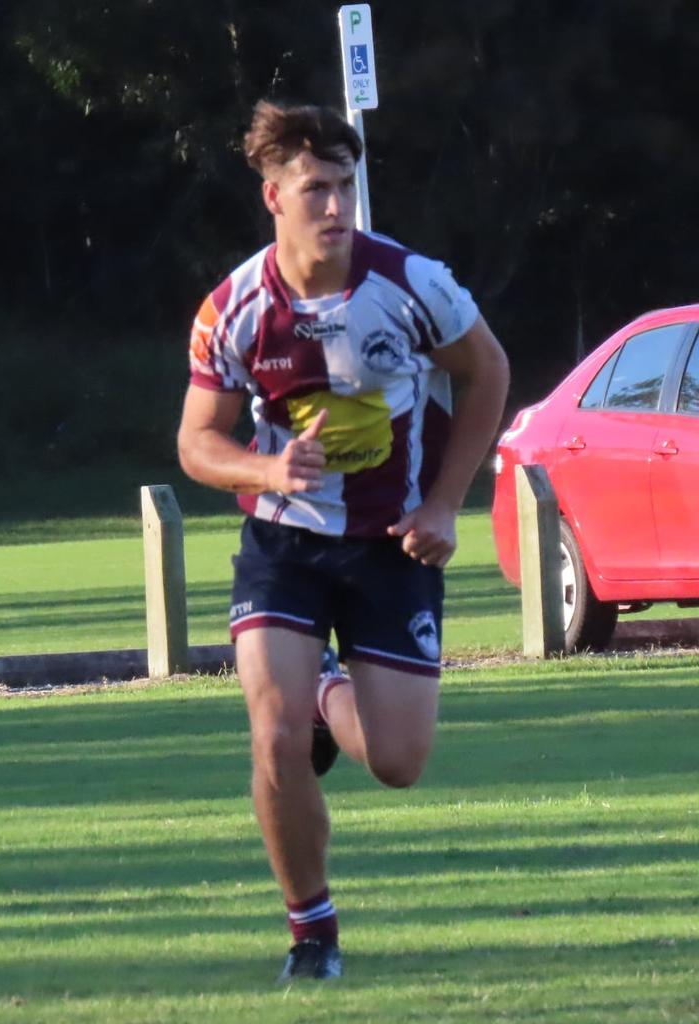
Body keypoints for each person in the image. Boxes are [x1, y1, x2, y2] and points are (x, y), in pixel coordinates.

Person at [177, 100, 509, 981]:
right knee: (272, 733)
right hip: (284, 546)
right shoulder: (235, 309)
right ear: (273, 199)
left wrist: (444, 505)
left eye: (345, 188)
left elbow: (490, 373)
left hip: (391, 546)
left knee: (399, 763)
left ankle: (331, 693)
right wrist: (266, 473)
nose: (336, 207)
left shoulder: (412, 282)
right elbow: (197, 445)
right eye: (316, 189)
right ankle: (311, 933)